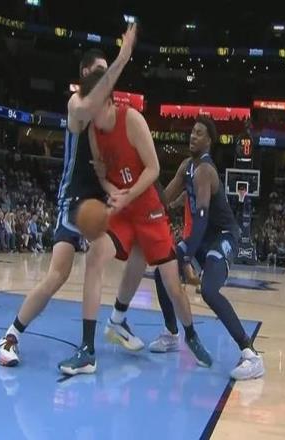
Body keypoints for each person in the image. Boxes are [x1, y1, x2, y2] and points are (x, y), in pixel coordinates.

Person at [0, 24, 138, 367]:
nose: (105, 77)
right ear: (85, 74)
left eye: (107, 71)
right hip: (75, 199)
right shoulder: (77, 104)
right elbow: (87, 107)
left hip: (101, 198)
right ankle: (12, 335)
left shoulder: (110, 112)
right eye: (99, 71)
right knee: (59, 273)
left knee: (128, 251)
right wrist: (122, 58)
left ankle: (112, 324)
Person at [57, 69, 212, 375]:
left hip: (149, 208)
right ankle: (88, 350)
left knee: (172, 284)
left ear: (108, 101)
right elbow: (102, 175)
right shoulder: (92, 131)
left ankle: (191, 335)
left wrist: (128, 194)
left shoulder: (132, 120)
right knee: (95, 255)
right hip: (123, 210)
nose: (88, 111)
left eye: (92, 104)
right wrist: (112, 191)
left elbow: (153, 169)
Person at [152, 116, 265, 380]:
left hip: (223, 236)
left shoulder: (205, 170)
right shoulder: (186, 166)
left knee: (209, 291)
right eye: (192, 131)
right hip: (203, 237)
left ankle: (251, 354)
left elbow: (201, 220)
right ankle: (171, 333)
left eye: (199, 133)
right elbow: (163, 200)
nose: (193, 136)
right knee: (161, 272)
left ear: (209, 141)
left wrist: (187, 258)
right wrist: (147, 174)